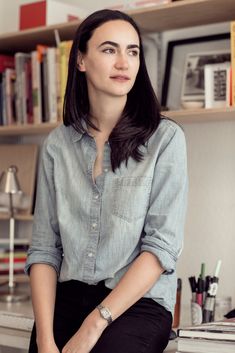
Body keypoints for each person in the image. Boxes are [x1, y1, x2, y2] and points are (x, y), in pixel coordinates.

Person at [25, 9, 188, 353]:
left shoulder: (166, 139)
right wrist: (44, 339)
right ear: (81, 60)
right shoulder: (58, 144)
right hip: (67, 297)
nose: (124, 62)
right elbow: (44, 249)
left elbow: (161, 248)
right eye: (110, 50)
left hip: (136, 302)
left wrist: (93, 325)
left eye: (132, 51)